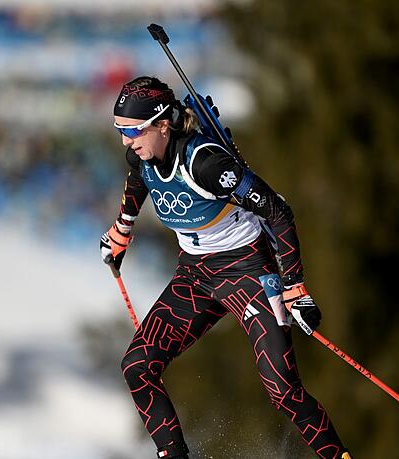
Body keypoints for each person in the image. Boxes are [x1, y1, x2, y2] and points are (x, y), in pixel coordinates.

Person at [100, 76, 351, 459]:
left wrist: (294, 287)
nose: (126, 140)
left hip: (248, 272)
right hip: (196, 275)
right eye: (120, 130)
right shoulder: (141, 154)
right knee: (137, 366)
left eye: (133, 130)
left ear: (163, 124)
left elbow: (277, 212)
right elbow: (140, 183)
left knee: (282, 390)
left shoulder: (204, 163)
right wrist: (121, 232)